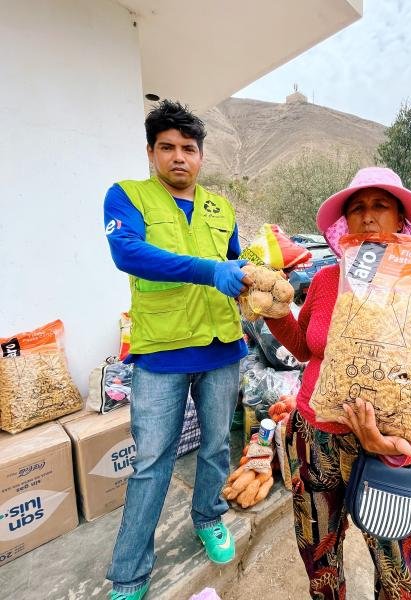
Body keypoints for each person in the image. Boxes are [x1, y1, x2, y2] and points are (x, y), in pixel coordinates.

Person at [265, 167, 411, 600]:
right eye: (357, 208)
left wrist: (398, 446)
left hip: (383, 445)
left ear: (401, 221)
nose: (368, 217)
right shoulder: (329, 280)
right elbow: (306, 347)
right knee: (319, 553)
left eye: (380, 206)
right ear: (345, 222)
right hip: (314, 437)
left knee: (395, 565)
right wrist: (274, 311)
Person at [103, 100, 252, 600]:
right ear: (151, 152)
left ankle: (208, 516)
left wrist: (263, 275)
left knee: (215, 447)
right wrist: (210, 271)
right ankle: (129, 572)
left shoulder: (221, 208)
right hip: (162, 353)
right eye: (166, 147)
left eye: (188, 148)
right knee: (152, 461)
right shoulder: (128, 196)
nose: (179, 157)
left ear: (202, 157)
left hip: (221, 347)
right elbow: (129, 253)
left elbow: (236, 266)